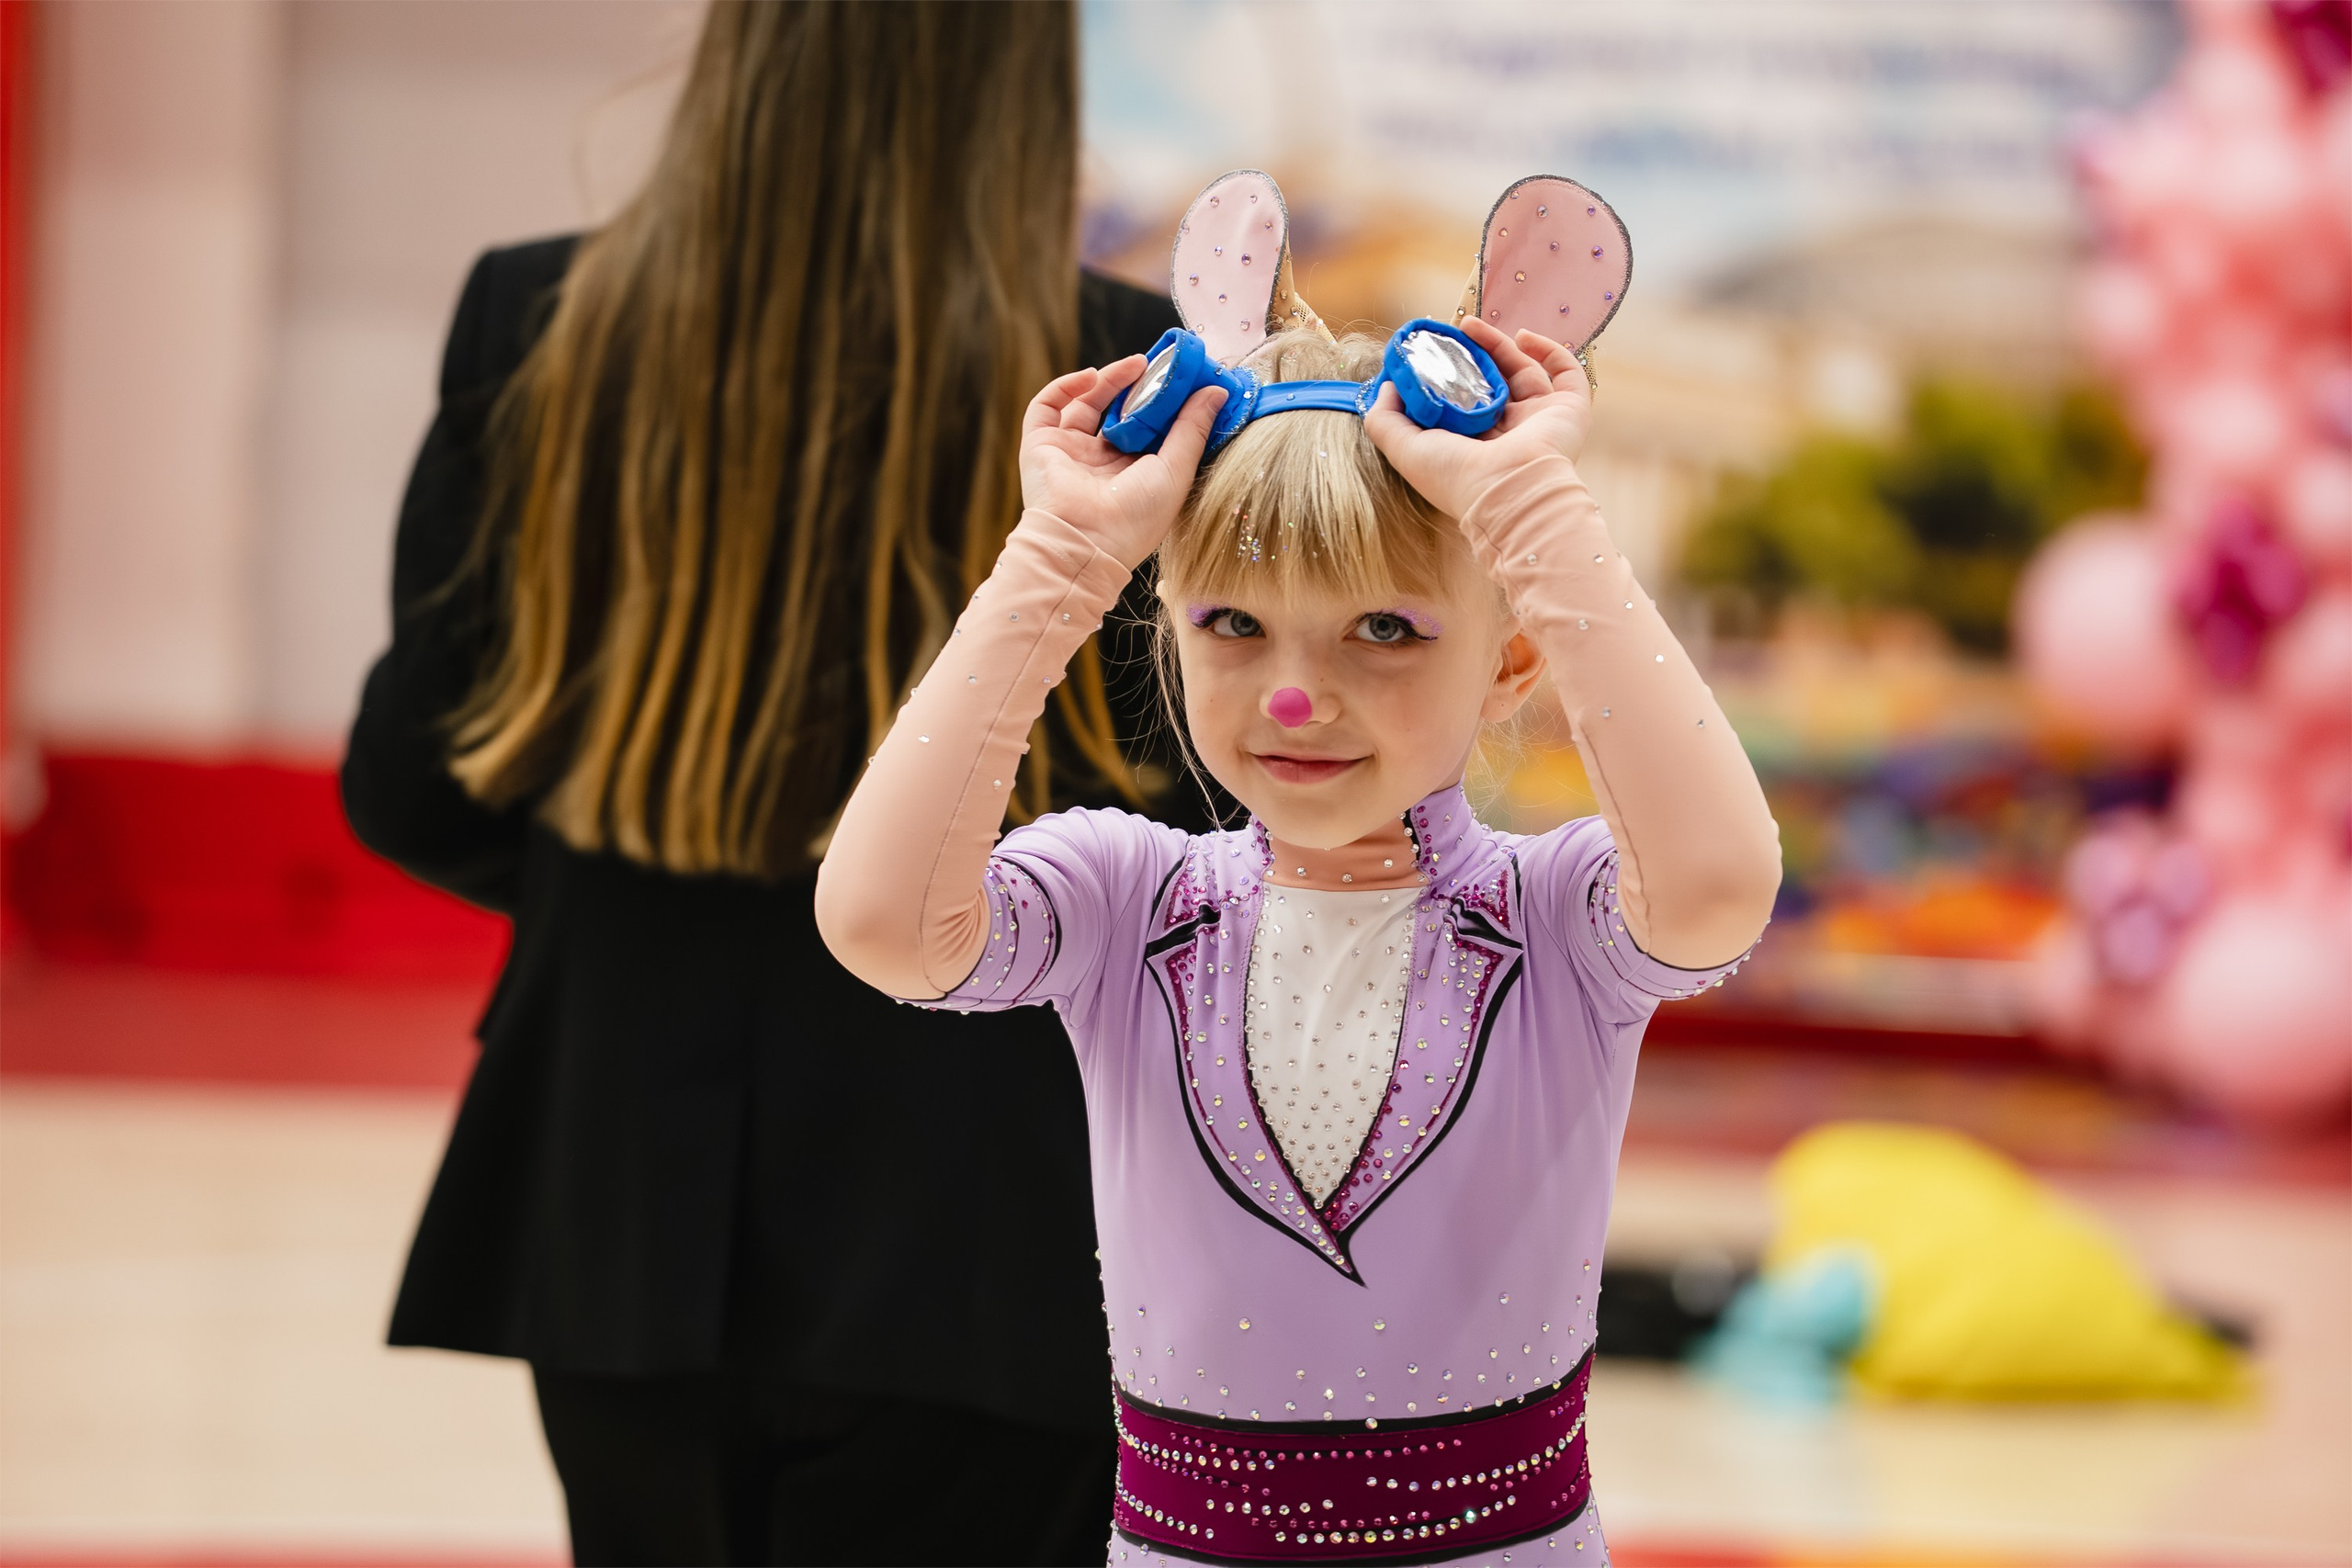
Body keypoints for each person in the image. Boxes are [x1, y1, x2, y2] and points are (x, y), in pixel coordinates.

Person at [815, 172, 1782, 1565]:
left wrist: (1535, 514)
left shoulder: (1554, 919)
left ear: (1511, 661)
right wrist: (1061, 557)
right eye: (1234, 626)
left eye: (1384, 630)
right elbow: (882, 923)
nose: (1293, 696)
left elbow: (1717, 890)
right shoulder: (1129, 903)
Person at [341, 5, 1205, 1563]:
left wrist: (622, 869)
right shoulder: (1134, 387)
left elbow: (417, 781)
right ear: (1027, 75)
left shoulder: (537, 316)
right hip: (1003, 1213)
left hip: (621, 1187)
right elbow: (1212, 819)